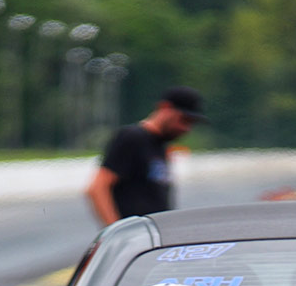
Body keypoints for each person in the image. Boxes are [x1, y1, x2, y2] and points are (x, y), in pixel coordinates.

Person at [84, 86, 207, 225]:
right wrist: (117, 231)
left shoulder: (161, 146)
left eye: (191, 123)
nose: (186, 129)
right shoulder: (133, 138)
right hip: (136, 236)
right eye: (183, 120)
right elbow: (98, 188)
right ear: (165, 107)